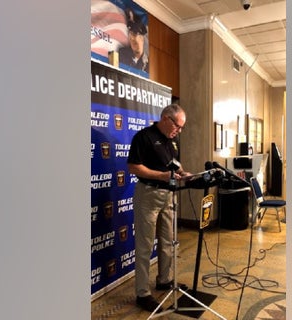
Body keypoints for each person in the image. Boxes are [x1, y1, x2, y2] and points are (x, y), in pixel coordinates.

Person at [127, 104, 190, 312]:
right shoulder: (143, 137)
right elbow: (134, 166)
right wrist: (161, 176)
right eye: (177, 126)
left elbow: (174, 163)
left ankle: (164, 279)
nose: (179, 131)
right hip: (149, 195)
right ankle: (142, 293)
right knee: (145, 245)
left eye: (181, 128)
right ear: (165, 118)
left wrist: (185, 173)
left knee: (168, 242)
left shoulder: (172, 139)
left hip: (169, 196)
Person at [119, 7, 149, 73]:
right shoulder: (122, 54)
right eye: (130, 35)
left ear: (142, 38)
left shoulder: (148, 65)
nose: (132, 38)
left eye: (135, 34)